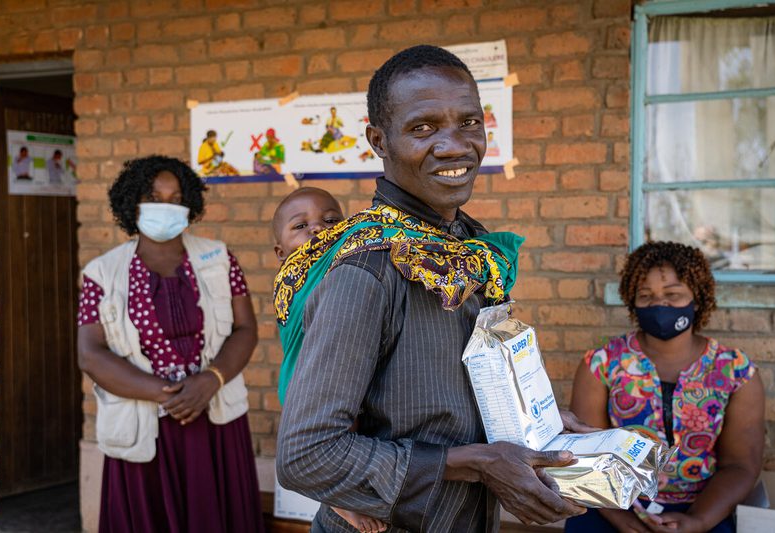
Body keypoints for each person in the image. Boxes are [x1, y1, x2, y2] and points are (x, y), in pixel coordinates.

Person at [276, 44, 589, 532]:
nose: (454, 146)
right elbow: (306, 456)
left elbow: (451, 405)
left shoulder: (469, 248)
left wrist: (535, 424)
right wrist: (476, 464)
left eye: (469, 122)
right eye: (423, 128)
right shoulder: (367, 270)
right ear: (379, 140)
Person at [77, 155, 265, 532]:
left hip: (215, 420)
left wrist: (211, 379)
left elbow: (246, 329)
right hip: (143, 426)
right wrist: (168, 395)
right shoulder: (102, 272)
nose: (165, 206)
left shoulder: (219, 258)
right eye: (153, 197)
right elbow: (90, 354)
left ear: (188, 204)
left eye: (175, 198)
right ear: (132, 203)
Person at [568, 241, 764, 533]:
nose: (659, 304)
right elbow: (587, 457)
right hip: (612, 504)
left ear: (697, 298)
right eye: (646, 295)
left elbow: (740, 465)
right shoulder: (602, 364)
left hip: (706, 505)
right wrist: (624, 521)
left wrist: (698, 520)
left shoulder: (735, 371)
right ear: (632, 301)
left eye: (673, 294)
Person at [272, 187, 387, 533]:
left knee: (350, 431)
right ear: (280, 252)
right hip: (305, 377)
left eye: (331, 220)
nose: (317, 229)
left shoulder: (347, 265)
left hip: (337, 370)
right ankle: (341, 501)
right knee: (332, 433)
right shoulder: (293, 279)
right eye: (300, 226)